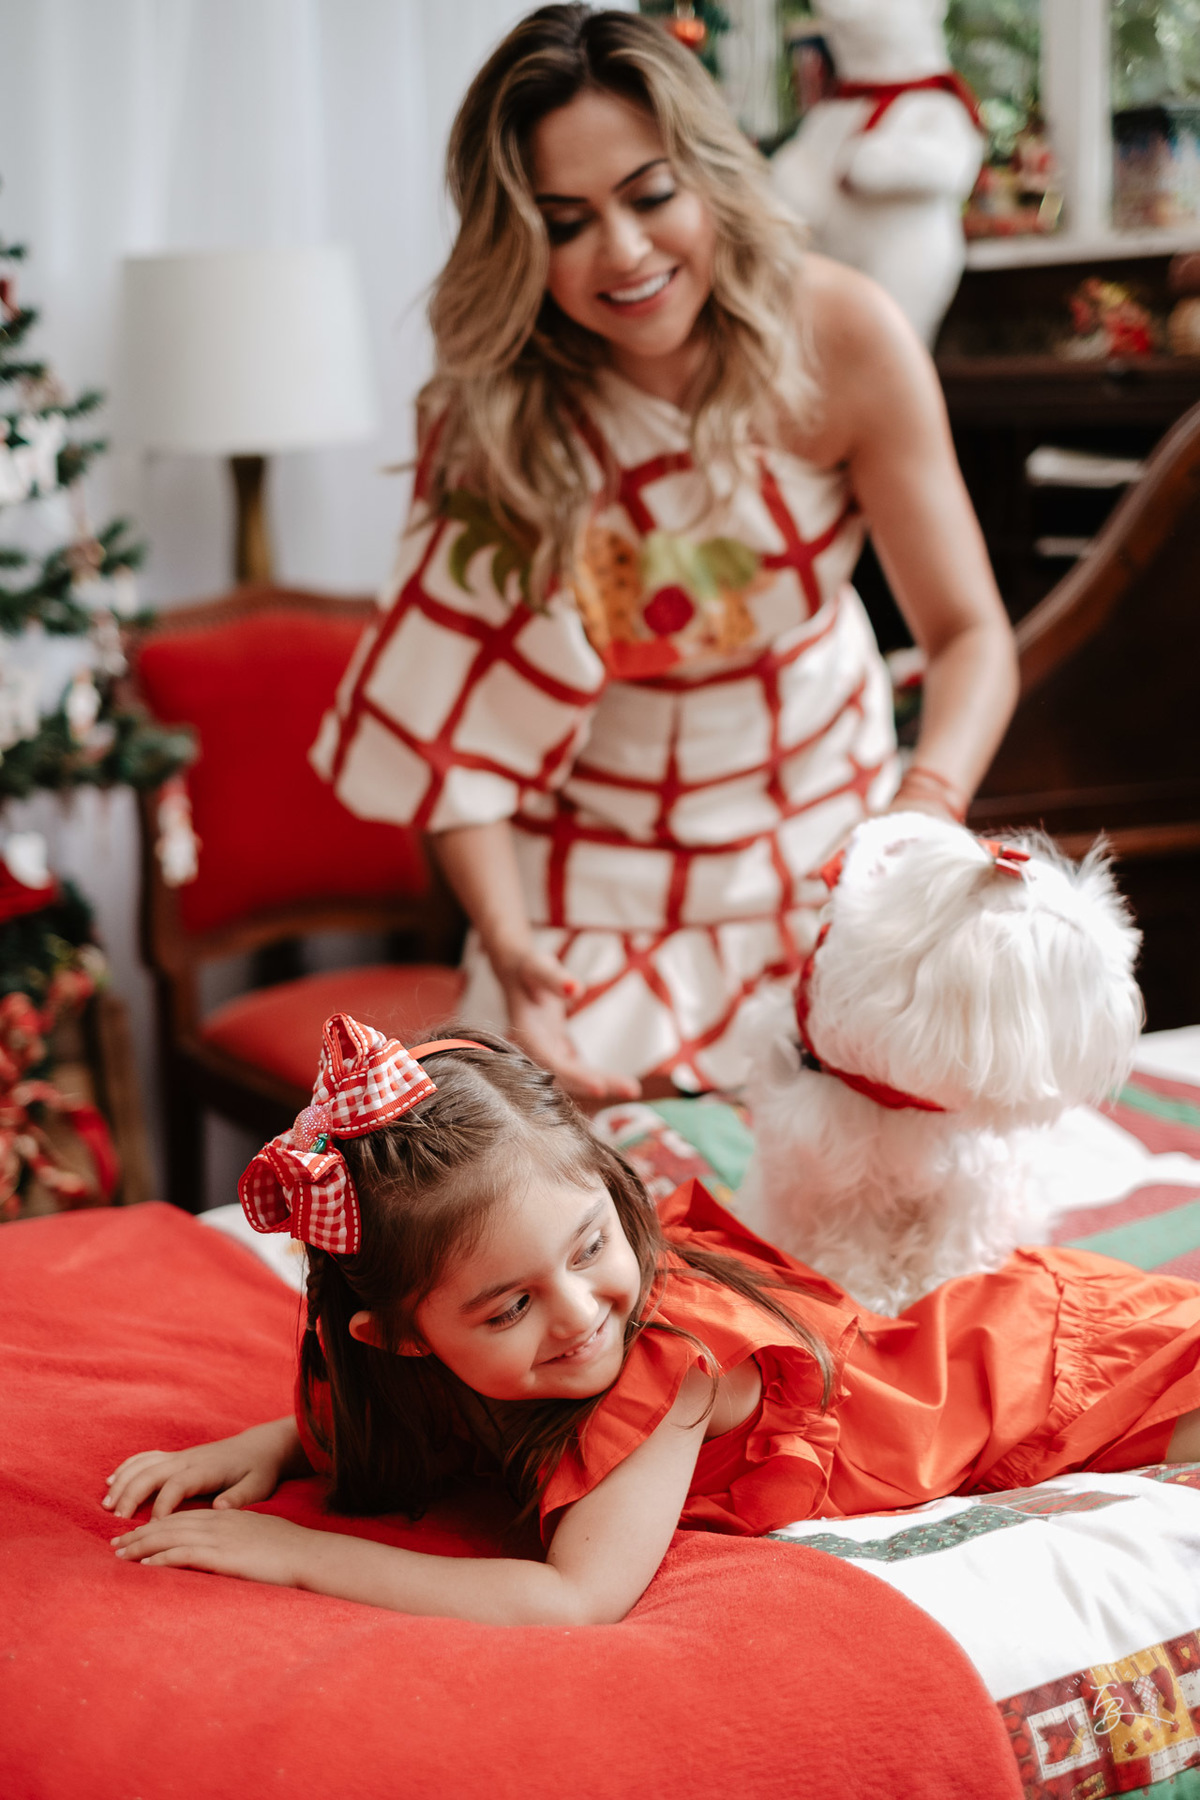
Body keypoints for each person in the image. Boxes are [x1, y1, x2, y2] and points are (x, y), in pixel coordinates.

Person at [310, 5, 1019, 1103]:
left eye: (650, 197)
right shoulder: (489, 415)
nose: (627, 254)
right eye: (566, 221)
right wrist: (506, 946)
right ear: (514, 239)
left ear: (712, 177)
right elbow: (461, 733)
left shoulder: (843, 337)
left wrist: (924, 810)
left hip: (830, 848)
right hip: (580, 887)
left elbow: (972, 635)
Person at [108, 1016, 1200, 1626]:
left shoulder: (662, 1370)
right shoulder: (446, 1353)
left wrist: (293, 1557)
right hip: (1025, 1349)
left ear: (610, 1193)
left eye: (591, 1247)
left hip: (1064, 1383)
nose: (583, 1315)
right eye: (511, 1305)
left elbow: (571, 1599)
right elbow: (419, 1417)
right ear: (399, 1340)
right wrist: (272, 1444)